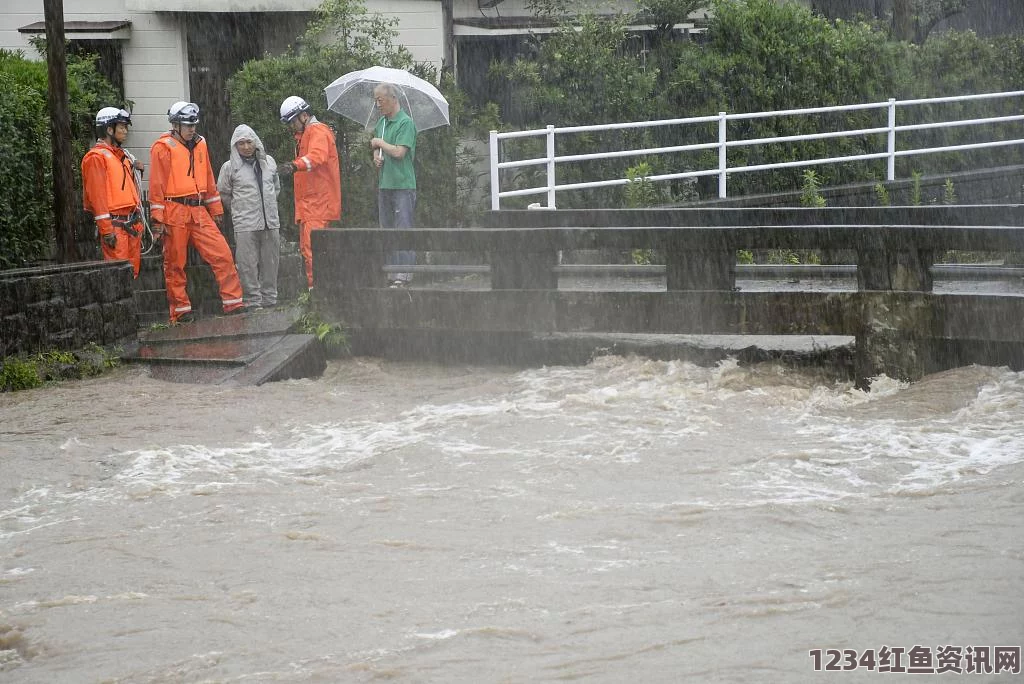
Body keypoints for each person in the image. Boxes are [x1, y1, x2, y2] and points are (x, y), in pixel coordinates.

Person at [149, 101, 245, 324]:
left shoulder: (201, 144)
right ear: (175, 125)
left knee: (222, 254)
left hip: (199, 211)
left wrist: (216, 209)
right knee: (175, 263)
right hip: (174, 210)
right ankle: (181, 311)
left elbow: (209, 178)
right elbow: (156, 186)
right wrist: (157, 221)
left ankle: (233, 303)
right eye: (187, 125)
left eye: (194, 124)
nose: (192, 129)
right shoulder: (162, 147)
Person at [277, 96, 341, 289]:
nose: (291, 127)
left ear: (303, 116)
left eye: (292, 122)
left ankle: (319, 294)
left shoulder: (317, 131)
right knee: (312, 250)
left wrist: (294, 165)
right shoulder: (308, 134)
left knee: (313, 250)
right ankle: (319, 292)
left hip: (317, 203)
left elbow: (317, 157)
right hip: (312, 204)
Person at [217, 124, 281, 309]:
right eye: (241, 143)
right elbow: (224, 193)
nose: (246, 146)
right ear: (235, 146)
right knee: (247, 265)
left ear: (256, 142)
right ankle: (253, 301)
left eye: (249, 142)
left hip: (271, 221)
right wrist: (240, 209)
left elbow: (275, 188)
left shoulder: (269, 162)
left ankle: (270, 298)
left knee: (271, 262)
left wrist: (267, 206)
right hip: (245, 223)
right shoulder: (229, 168)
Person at [81, 107, 144, 277]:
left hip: (130, 225)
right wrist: (106, 230)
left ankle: (130, 304)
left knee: (132, 274)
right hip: (115, 228)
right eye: (121, 127)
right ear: (109, 129)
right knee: (118, 276)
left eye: (126, 127)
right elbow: (97, 197)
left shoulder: (121, 156)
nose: (125, 131)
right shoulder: (96, 157)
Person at [369, 83, 417, 288]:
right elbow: (380, 152)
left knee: (402, 229)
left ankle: (404, 274)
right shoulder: (381, 122)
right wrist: (375, 157)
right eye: (376, 100)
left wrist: (379, 143)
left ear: (393, 99)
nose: (378, 104)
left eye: (380, 100)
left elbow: (399, 152)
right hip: (385, 184)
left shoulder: (406, 123)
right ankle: (391, 272)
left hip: (403, 185)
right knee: (386, 229)